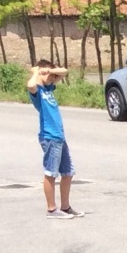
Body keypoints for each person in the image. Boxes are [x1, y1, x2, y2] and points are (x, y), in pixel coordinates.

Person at [27, 60, 84, 220]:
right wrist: (37, 72)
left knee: (68, 172)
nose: (52, 78)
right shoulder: (37, 91)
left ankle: (65, 207)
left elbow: (64, 71)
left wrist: (48, 72)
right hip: (49, 136)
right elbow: (30, 85)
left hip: (59, 136)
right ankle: (51, 209)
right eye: (49, 75)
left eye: (53, 76)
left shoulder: (48, 88)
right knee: (51, 173)